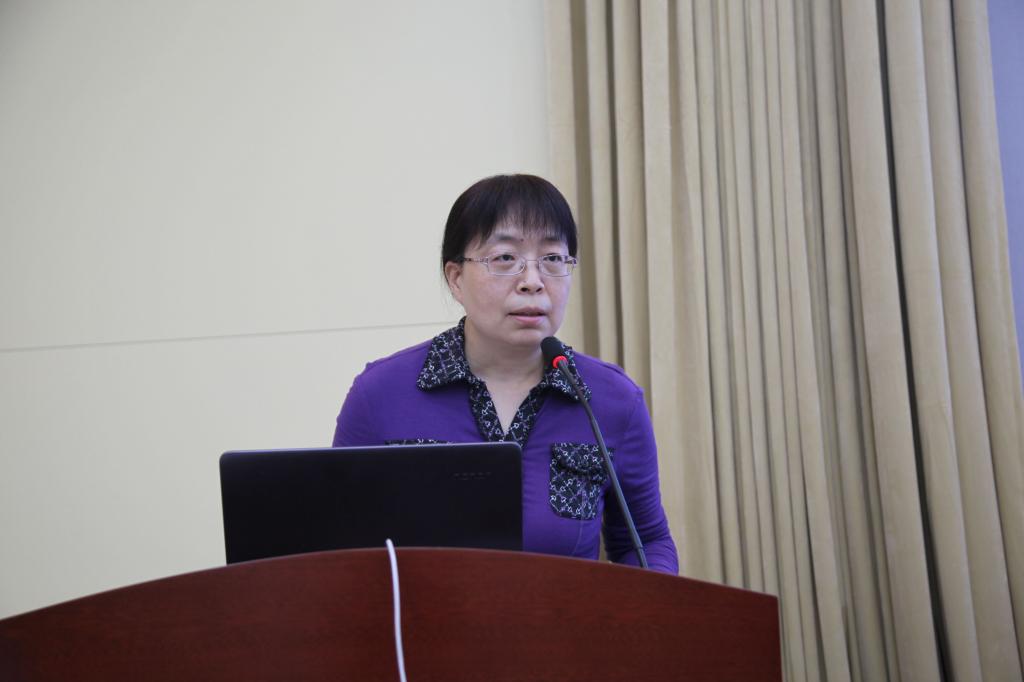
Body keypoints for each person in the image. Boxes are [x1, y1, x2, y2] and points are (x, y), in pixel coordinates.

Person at [333, 174, 678, 574]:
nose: (532, 282)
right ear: (456, 278)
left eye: (552, 259)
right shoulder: (381, 396)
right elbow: (340, 547)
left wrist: (641, 605)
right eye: (504, 258)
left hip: (564, 616)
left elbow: (645, 540)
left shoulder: (612, 400)